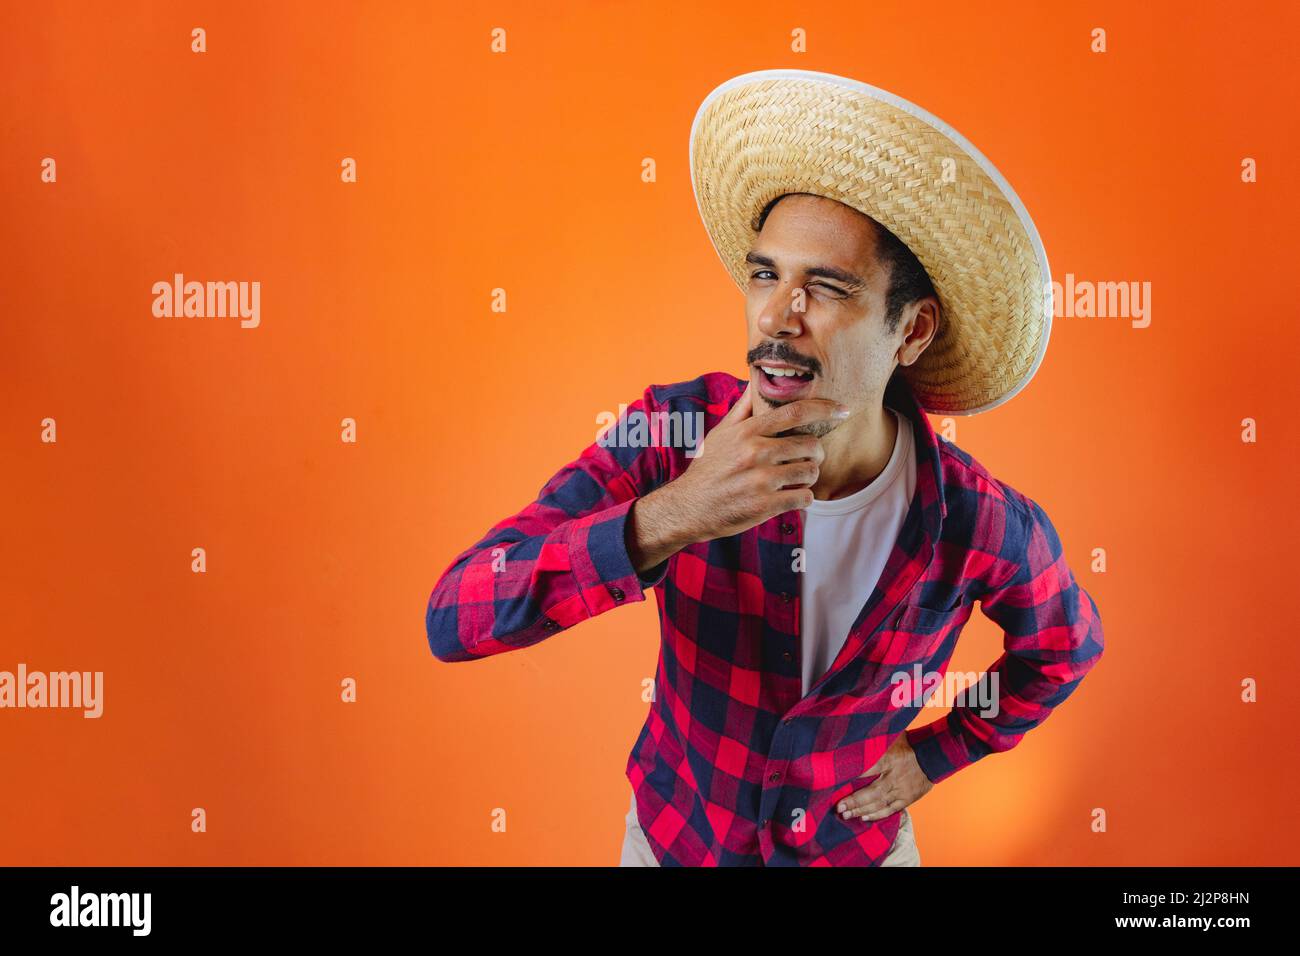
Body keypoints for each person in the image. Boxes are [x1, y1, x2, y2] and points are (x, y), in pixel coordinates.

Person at [425, 70, 1104, 866]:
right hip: (677, 841)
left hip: (854, 853)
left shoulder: (977, 519)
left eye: (826, 286)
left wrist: (937, 753)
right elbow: (457, 615)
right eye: (764, 275)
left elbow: (1064, 647)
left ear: (912, 331)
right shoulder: (672, 434)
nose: (777, 318)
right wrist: (675, 515)